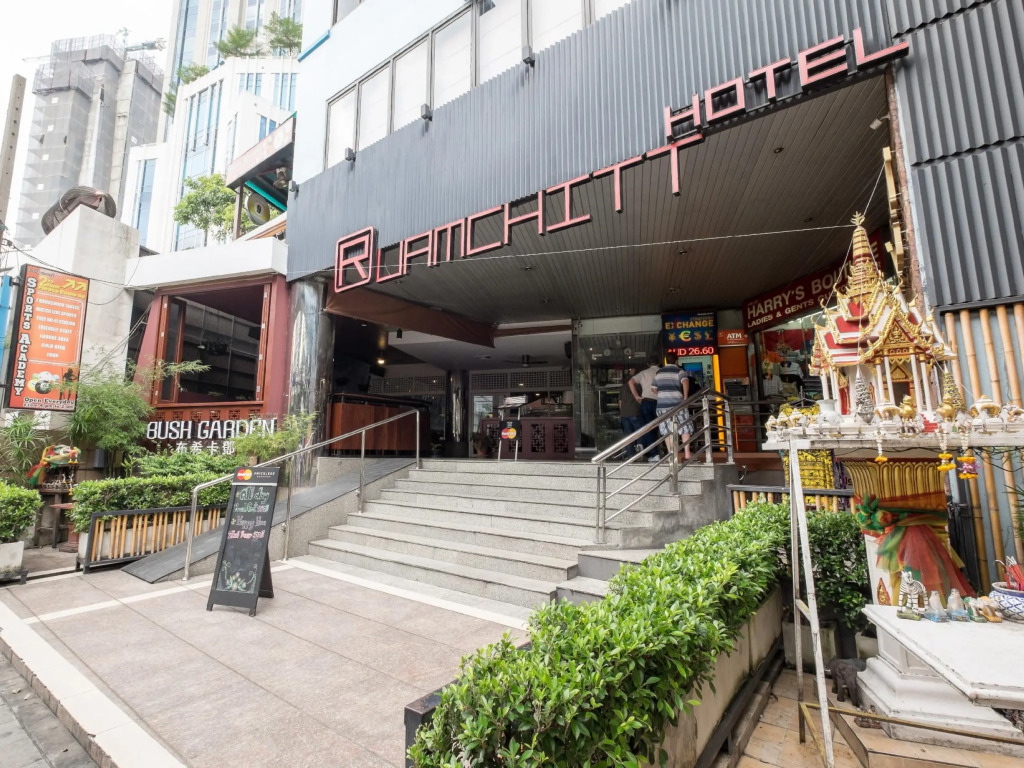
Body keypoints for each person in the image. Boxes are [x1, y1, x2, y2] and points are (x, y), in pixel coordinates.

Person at [651, 354, 692, 461]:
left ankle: (672, 456)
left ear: (666, 361)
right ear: (676, 361)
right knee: (685, 427)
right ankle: (687, 454)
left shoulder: (659, 373)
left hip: (662, 406)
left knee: (667, 431)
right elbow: (685, 381)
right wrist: (685, 397)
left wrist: (663, 394)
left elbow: (654, 389)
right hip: (677, 405)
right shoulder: (679, 371)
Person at [628, 358, 661, 459]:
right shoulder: (662, 372)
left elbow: (630, 382)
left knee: (648, 428)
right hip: (661, 402)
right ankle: (665, 451)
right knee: (662, 427)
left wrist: (636, 396)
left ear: (648, 364)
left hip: (646, 402)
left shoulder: (644, 373)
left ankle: (654, 454)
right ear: (659, 363)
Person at [618, 368, 643, 458]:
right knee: (640, 433)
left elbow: (620, 401)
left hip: (624, 414)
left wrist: (622, 411)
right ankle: (640, 451)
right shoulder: (639, 386)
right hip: (635, 412)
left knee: (628, 435)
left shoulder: (623, 386)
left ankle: (630, 454)